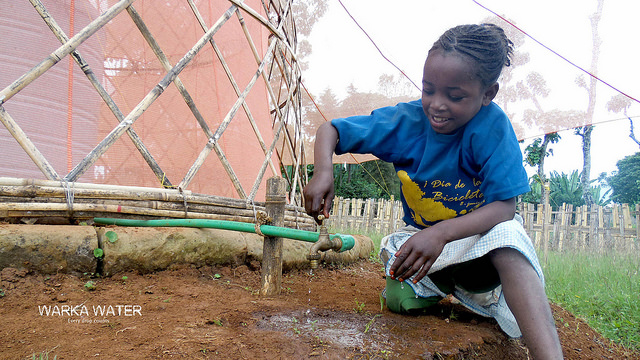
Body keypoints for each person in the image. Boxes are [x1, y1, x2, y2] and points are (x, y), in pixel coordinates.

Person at [303, 24, 563, 359]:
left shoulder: (492, 128)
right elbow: (331, 129)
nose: (437, 105)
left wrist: (441, 234)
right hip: (425, 243)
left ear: (488, 94)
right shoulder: (407, 122)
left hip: (480, 244)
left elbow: (504, 207)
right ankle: (442, 288)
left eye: (454, 97)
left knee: (509, 240)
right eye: (428, 90)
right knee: (398, 300)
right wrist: (324, 172)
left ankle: (543, 348)